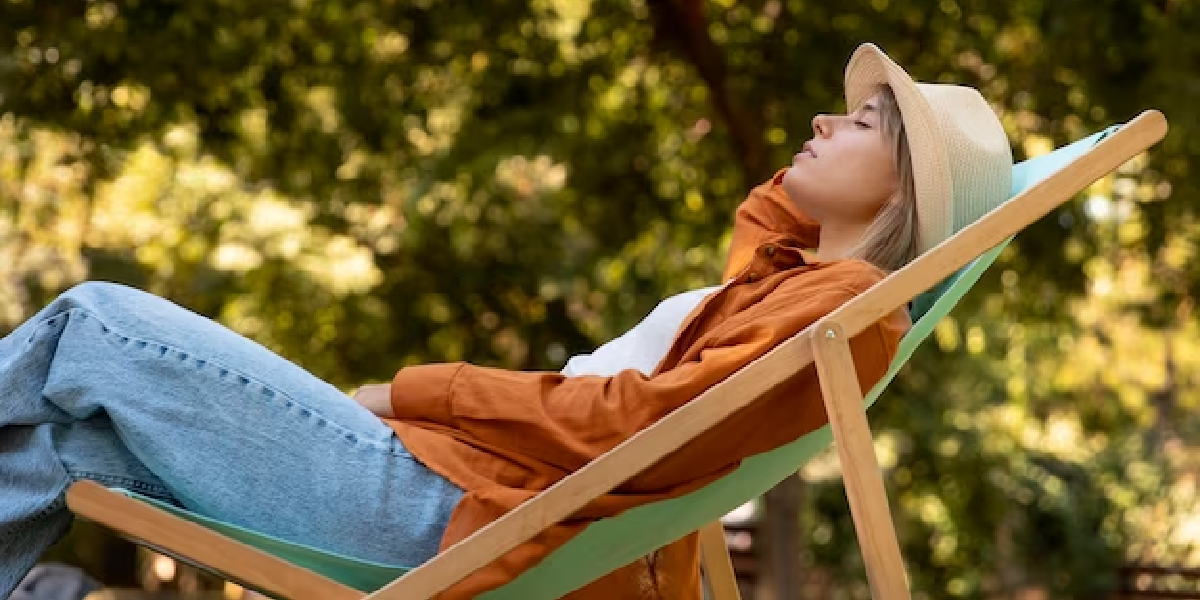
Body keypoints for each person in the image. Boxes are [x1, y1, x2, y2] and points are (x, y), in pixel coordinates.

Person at [0, 43, 1012, 599]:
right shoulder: (792, 286)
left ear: (909, 190)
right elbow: (765, 218)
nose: (824, 120)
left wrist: (414, 389)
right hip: (456, 495)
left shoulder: (834, 314)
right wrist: (840, 198)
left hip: (452, 511)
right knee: (66, 441)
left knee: (96, 328)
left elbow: (626, 425)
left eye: (865, 122)